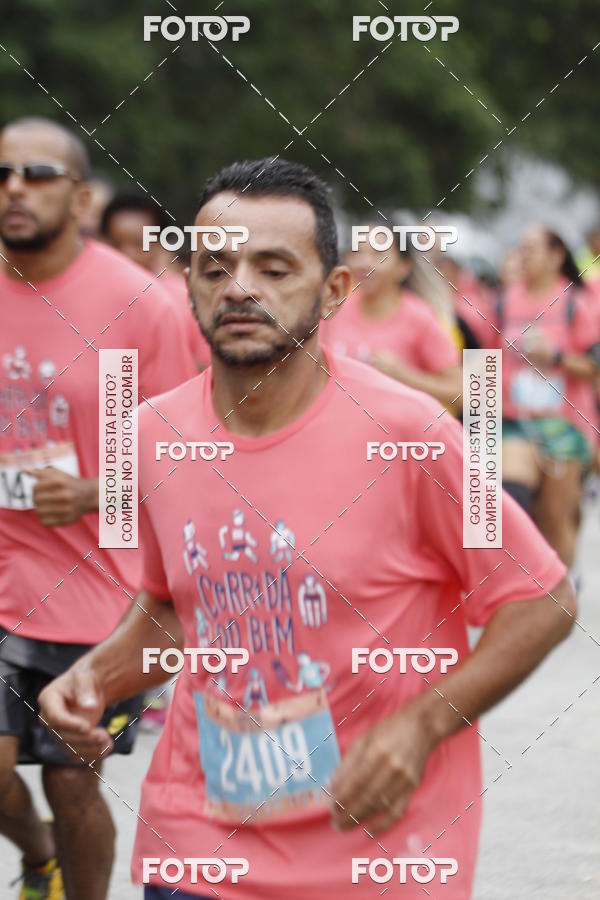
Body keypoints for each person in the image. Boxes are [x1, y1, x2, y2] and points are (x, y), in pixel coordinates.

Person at [40, 159, 575, 900]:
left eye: (273, 267)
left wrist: (422, 726)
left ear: (333, 292)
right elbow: (175, 608)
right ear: (188, 283)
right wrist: (93, 677)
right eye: (215, 267)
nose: (240, 288)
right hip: (200, 840)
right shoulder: (152, 434)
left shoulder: (412, 433)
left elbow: (542, 598)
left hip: (375, 852)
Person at [0, 116, 196, 900]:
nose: (15, 188)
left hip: (100, 591)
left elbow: (192, 455)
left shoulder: (141, 305)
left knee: (74, 784)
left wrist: (97, 491)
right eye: (3, 172)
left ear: (81, 197)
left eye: (38, 174)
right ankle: (37, 853)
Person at [497, 226, 600, 569]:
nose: (524, 255)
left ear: (557, 256)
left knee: (555, 519)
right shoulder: (504, 299)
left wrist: (554, 355)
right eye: (521, 248)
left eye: (532, 249)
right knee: (511, 505)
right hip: (514, 421)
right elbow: (481, 358)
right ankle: (522, 587)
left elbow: (592, 366)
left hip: (564, 425)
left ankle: (561, 594)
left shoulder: (574, 301)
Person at [323, 226, 462, 408]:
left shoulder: (420, 318)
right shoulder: (333, 309)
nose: (364, 263)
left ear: (403, 267)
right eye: (356, 253)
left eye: (378, 254)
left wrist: (403, 376)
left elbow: (463, 394)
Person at [100, 193, 210, 370]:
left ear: (160, 244)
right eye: (116, 244)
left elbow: (208, 370)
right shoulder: (90, 297)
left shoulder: (187, 298)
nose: (127, 255)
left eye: (139, 244)